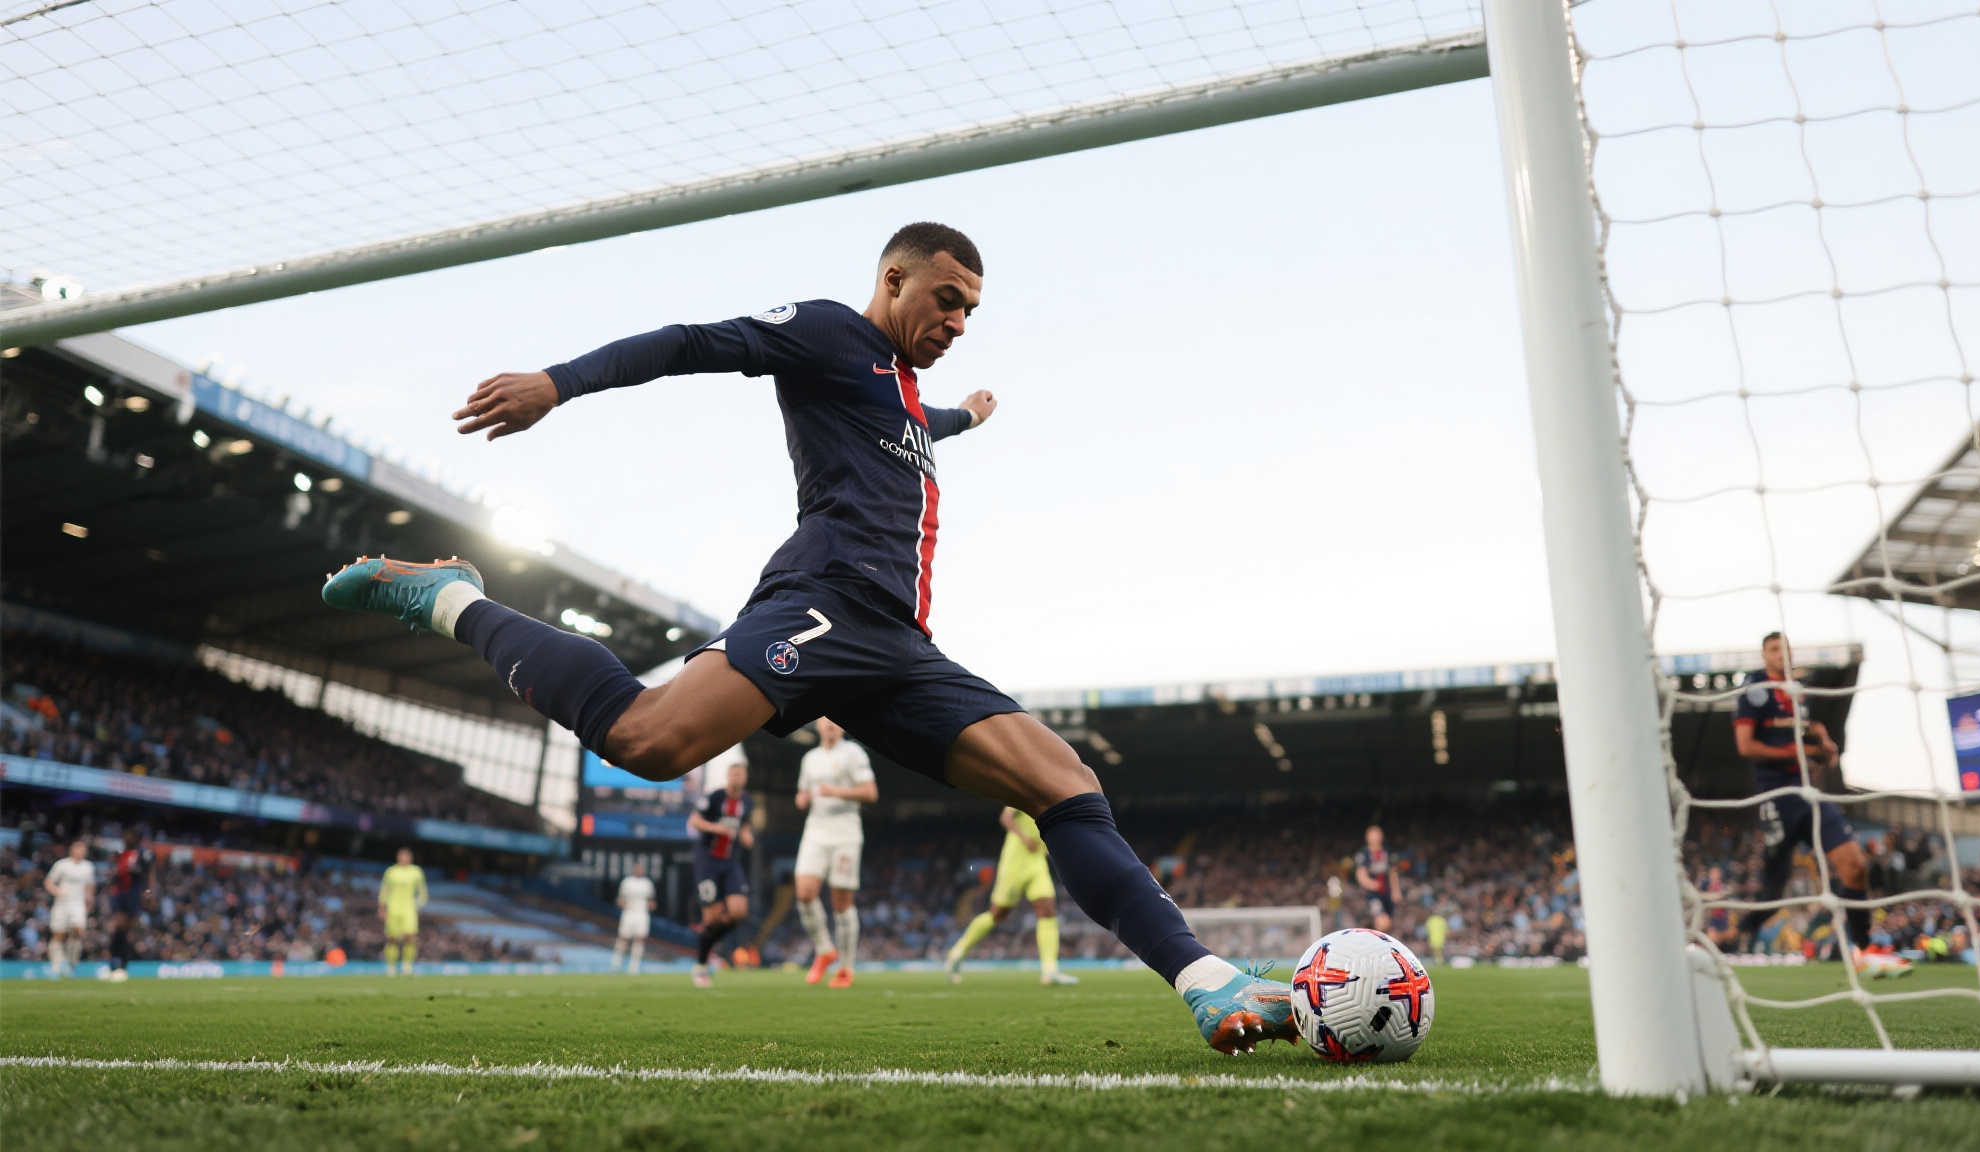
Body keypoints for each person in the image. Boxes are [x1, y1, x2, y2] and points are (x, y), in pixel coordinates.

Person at [321, 221, 1294, 1051]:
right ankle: (451, 600)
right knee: (647, 740)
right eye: (946, 301)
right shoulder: (830, 335)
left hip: (897, 647)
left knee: (1065, 784)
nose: (958, 323)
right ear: (893, 279)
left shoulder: (902, 394)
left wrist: (967, 415)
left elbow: (916, 425)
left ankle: (1205, 979)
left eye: (970, 312)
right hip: (824, 603)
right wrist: (557, 382)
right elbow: (694, 342)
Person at [1732, 632, 1910, 977]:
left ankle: (1863, 949)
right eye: (1773, 649)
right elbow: (1745, 746)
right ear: (1764, 655)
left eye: (1785, 648)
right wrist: (1796, 752)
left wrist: (1823, 742)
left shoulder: (1798, 692)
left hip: (1808, 794)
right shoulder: (1754, 689)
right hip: (1776, 798)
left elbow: (1809, 729)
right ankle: (1733, 937)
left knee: (1855, 866)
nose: (1780, 654)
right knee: (1772, 893)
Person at [943, 807, 1079, 986]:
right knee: (998, 914)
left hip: (1036, 861)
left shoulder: (1055, 802)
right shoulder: (1026, 793)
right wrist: (1025, 838)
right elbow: (1006, 817)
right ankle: (957, 952)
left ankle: (1050, 971)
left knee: (1047, 910)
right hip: (1015, 862)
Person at [793, 718, 877, 988]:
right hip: (816, 830)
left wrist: (836, 791)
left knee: (841, 902)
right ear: (817, 725)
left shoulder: (854, 753)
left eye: (834, 720)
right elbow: (803, 793)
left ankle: (845, 967)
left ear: (842, 726)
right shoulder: (810, 759)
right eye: (824, 719)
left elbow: (870, 792)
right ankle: (824, 950)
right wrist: (802, 799)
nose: (829, 724)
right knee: (804, 893)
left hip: (845, 831)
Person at [687, 748, 754, 988]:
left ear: (745, 777)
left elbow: (744, 827)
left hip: (730, 862)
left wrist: (746, 835)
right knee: (712, 918)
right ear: (728, 776)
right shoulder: (715, 797)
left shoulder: (747, 802)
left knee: (739, 912)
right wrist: (717, 829)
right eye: (733, 774)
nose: (736, 778)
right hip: (708, 862)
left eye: (740, 774)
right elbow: (694, 821)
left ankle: (708, 942)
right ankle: (702, 964)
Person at [43, 840, 94, 979]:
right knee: (58, 934)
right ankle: (56, 966)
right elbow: (48, 882)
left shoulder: (88, 867)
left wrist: (89, 900)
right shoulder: (62, 864)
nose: (81, 852)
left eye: (83, 850)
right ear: (72, 850)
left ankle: (71, 964)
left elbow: (90, 885)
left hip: (78, 904)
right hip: (62, 903)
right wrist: (57, 892)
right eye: (78, 849)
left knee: (77, 931)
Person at [108, 829, 154, 980]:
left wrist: (148, 892)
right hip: (120, 894)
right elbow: (112, 872)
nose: (127, 839)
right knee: (119, 928)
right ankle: (115, 963)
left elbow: (149, 874)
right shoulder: (120, 854)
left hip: (134, 894)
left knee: (129, 930)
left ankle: (123, 965)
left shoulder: (142, 854)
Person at [379, 847, 429, 976]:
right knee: (391, 938)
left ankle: (407, 966)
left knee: (410, 937)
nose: (404, 858)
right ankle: (391, 966)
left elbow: (423, 891)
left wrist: (418, 905)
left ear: (410, 858)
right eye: (401, 856)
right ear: (398, 857)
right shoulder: (391, 871)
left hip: (409, 909)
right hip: (393, 908)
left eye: (406, 856)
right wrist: (382, 907)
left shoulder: (416, 872)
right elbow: (384, 889)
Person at [1353, 825, 1399, 933]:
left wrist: (1396, 891)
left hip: (1387, 892)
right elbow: (1360, 874)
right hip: (1373, 894)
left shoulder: (1388, 852)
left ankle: (1381, 937)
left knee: (1388, 922)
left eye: (1377, 836)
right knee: (1382, 920)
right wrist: (1369, 883)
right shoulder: (1363, 854)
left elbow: (1393, 872)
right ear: (1367, 838)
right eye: (1372, 837)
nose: (1375, 839)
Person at [613, 861, 656, 974]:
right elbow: (619, 899)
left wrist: (651, 905)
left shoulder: (647, 883)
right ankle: (616, 964)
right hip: (629, 913)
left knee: (639, 939)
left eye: (641, 869)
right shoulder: (627, 882)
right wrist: (623, 904)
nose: (639, 870)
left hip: (642, 914)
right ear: (633, 869)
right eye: (637, 868)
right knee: (623, 938)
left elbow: (651, 900)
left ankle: (634, 967)